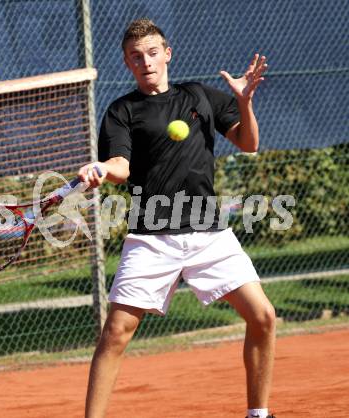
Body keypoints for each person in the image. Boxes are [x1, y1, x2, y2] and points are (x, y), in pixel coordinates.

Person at [78, 18, 276, 418]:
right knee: (116, 333)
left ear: (167, 54)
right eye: (136, 57)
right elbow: (121, 165)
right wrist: (101, 167)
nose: (146, 62)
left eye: (152, 53)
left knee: (264, 316)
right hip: (151, 238)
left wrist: (244, 101)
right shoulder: (122, 111)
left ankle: (259, 414)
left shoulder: (199, 96)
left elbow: (249, 143)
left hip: (209, 234)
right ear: (127, 63)